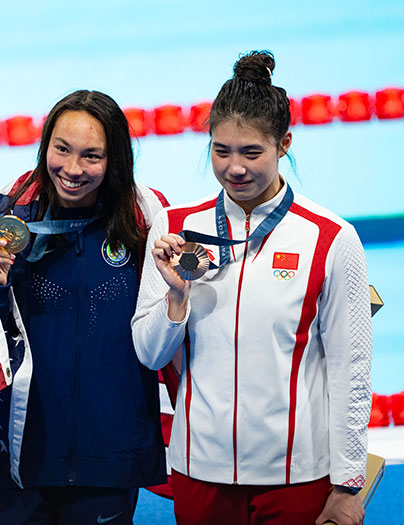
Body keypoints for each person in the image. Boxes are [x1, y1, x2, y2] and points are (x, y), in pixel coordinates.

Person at [131, 50, 372, 525]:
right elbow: (149, 354)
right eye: (221, 151)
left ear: (283, 143)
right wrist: (176, 297)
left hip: (297, 476)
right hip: (198, 471)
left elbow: (352, 368)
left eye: (251, 152)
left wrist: (347, 485)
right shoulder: (174, 226)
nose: (234, 168)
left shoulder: (329, 238)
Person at [0, 90, 169, 524]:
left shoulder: (146, 218)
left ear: (115, 160)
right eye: (62, 149)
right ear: (45, 147)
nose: (72, 169)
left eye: (91, 156)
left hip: (108, 456)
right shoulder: (3, 215)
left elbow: (166, 333)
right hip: (15, 455)